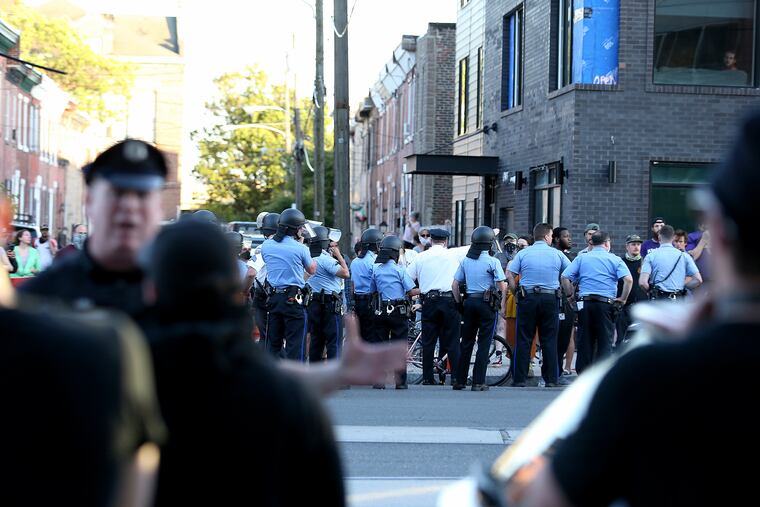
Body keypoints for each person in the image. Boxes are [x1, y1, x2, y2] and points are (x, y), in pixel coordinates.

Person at [501, 110, 760, 507]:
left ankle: (538, 375)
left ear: (721, 236)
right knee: (589, 342)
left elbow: (540, 497)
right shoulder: (612, 260)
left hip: (573, 302)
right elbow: (640, 281)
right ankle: (555, 374)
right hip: (599, 304)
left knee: (563, 346)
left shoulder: (654, 376)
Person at [22, 139, 404, 396]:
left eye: (142, 195)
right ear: (91, 201)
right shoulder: (47, 296)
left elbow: (236, 365)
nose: (129, 208)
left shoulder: (181, 278)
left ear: (157, 206)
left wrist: (331, 375)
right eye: (117, 194)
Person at [139, 220, 346, 506]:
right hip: (294, 302)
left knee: (272, 340)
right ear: (231, 286)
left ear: (151, 289)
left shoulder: (127, 381)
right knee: (294, 342)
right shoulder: (290, 400)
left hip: (275, 302)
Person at [507, 223, 571, 388]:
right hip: (550, 298)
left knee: (524, 339)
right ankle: (550, 379)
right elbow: (569, 274)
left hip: (527, 298)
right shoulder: (557, 254)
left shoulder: (524, 253)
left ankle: (519, 379)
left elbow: (510, 273)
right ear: (548, 236)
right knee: (549, 339)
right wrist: (569, 293)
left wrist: (515, 293)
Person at [561, 231, 633, 373]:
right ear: (607, 243)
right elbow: (628, 280)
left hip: (585, 304)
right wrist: (623, 299)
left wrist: (570, 295)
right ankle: (601, 374)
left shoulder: (582, 258)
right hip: (606, 304)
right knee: (605, 341)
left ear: (591, 243)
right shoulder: (615, 259)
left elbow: (565, 277)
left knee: (584, 340)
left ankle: (583, 375)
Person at [452, 226, 507, 391]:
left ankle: (460, 380)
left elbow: (455, 285)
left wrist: (459, 304)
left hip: (469, 302)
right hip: (486, 304)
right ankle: (478, 381)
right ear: (490, 243)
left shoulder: (466, 261)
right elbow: (502, 286)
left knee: (467, 342)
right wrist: (502, 305)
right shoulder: (493, 261)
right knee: (484, 343)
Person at [260, 208, 316, 361]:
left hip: (273, 299)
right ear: (295, 230)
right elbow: (311, 269)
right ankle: (295, 380)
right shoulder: (301, 248)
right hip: (293, 301)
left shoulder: (267, 246)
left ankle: (271, 379)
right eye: (301, 227)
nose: (303, 229)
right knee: (295, 344)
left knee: (273, 343)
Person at [406, 228, 460, 385]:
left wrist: (421, 288)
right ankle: (454, 377)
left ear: (431, 240)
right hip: (449, 300)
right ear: (446, 241)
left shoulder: (421, 257)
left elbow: (408, 278)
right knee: (451, 339)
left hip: (429, 301)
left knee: (428, 340)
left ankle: (428, 377)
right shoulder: (454, 255)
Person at [370, 234, 419, 389]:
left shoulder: (376, 270)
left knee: (380, 345)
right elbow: (411, 291)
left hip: (382, 309)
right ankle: (400, 382)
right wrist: (423, 289)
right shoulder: (399, 270)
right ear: (395, 253)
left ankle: (379, 381)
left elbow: (373, 290)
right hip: (398, 311)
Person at [306, 225, 350, 362]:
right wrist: (338, 255)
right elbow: (346, 274)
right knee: (334, 341)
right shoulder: (326, 259)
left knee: (316, 340)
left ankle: (315, 374)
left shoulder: (308, 258)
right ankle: (334, 377)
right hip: (330, 304)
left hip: (314, 302)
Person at [640, 224, 702, 300]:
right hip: (678, 300)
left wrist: (650, 291)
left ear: (659, 237)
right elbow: (698, 280)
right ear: (673, 238)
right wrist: (682, 286)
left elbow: (642, 282)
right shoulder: (684, 256)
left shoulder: (650, 256)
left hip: (658, 300)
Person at [250, 212, 279, 348]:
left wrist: (245, 290)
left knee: (265, 336)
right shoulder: (293, 247)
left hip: (263, 296)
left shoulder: (263, 247)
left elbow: (251, 273)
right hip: (284, 296)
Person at [352, 228, 383, 343]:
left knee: (361, 335)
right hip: (371, 301)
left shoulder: (355, 261)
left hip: (358, 301)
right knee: (372, 335)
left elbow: (352, 284)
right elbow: (379, 282)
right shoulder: (375, 261)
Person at [552, 227, 576, 377]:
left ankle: (558, 370)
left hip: (562, 302)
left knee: (565, 337)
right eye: (566, 236)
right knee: (557, 339)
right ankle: (555, 372)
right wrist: (570, 295)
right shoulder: (558, 256)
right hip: (559, 301)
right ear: (556, 239)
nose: (569, 239)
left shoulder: (569, 257)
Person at [615, 234, 647, 346]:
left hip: (641, 307)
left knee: (639, 341)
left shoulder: (645, 262)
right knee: (621, 340)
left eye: (638, 244)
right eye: (633, 244)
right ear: (627, 246)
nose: (636, 247)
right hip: (623, 307)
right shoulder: (620, 262)